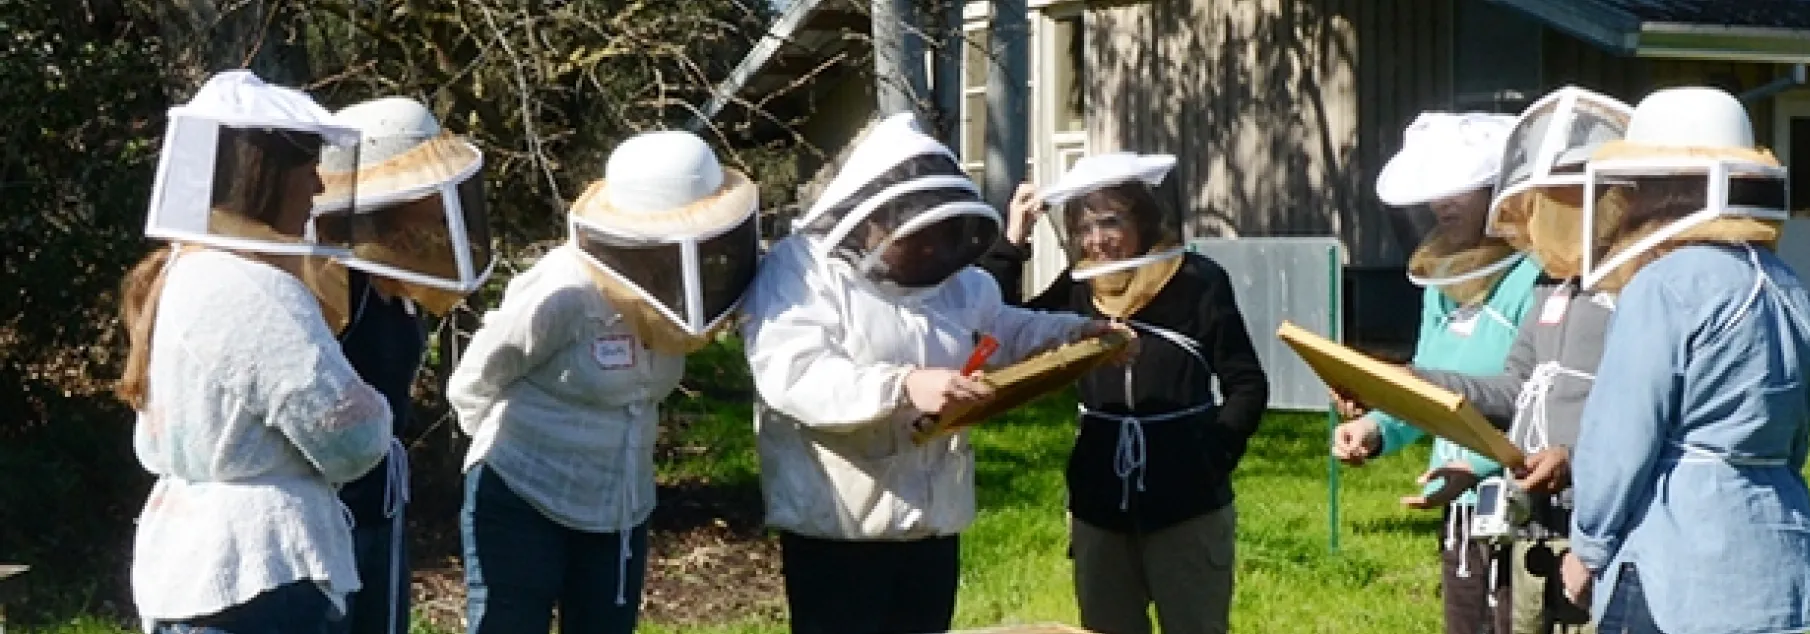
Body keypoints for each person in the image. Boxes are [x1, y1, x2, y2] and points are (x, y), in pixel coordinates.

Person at [739, 112, 1124, 634]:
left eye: (942, 236)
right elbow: (795, 375)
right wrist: (903, 385)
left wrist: (1073, 335)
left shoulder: (955, 283)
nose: (931, 250)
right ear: (875, 219)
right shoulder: (801, 272)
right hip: (838, 528)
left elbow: (1000, 329)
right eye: (917, 236)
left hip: (931, 523)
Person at [445, 130, 762, 634]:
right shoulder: (563, 291)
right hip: (522, 492)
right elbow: (476, 379)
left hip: (621, 507)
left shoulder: (687, 288)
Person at [119, 69, 393, 633]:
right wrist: (381, 411)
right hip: (261, 574)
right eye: (307, 168)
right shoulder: (255, 289)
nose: (319, 188)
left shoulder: (182, 271)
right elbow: (352, 439)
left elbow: (151, 441)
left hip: (190, 565)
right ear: (266, 177)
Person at [1370, 87, 1634, 634]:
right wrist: (1394, 392)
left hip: (1586, 513)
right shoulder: (1548, 283)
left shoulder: (1633, 289)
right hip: (1512, 506)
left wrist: (1553, 458)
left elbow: (1643, 413)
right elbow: (1516, 386)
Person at [1566, 87, 1810, 634]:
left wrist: (1587, 547)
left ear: (1665, 192)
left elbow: (1620, 436)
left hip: (1678, 560)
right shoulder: (1789, 286)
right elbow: (1797, 435)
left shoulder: (1663, 286)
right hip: (1781, 551)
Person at [979, 152, 1268, 634]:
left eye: (1110, 222)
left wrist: (1213, 454)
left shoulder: (1197, 282)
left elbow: (1246, 384)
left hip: (1187, 505)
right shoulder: (1078, 289)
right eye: (1084, 228)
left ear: (1145, 219)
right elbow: (997, 326)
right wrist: (1013, 240)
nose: (1097, 240)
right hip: (1098, 502)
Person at [1324, 111, 1535, 634]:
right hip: (1460, 515)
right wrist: (1375, 429)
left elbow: (1537, 398)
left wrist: (1487, 469)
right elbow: (1430, 383)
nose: (1442, 204)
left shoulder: (1538, 278)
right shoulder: (1442, 287)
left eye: (1458, 191)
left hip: (1527, 508)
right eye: (1435, 193)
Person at [314, 95, 495, 634]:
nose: (442, 210)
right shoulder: (326, 277)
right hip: (323, 506)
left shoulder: (399, 279)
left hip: (379, 497)